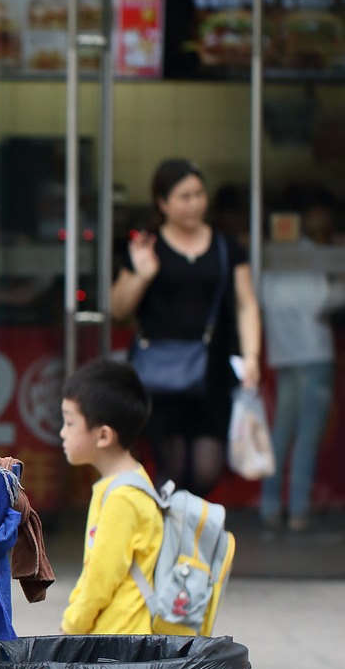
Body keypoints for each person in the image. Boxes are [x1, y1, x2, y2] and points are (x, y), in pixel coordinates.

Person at [112, 158, 262, 498]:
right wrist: (143, 275)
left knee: (208, 469)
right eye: (184, 196)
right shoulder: (147, 246)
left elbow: (246, 303)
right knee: (174, 467)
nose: (195, 203)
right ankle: (172, 543)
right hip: (160, 373)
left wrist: (251, 356)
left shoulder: (226, 247)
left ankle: (181, 535)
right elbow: (118, 308)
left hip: (213, 372)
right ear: (162, 202)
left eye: (199, 194)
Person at [259, 188, 345, 531]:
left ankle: (269, 506)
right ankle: (297, 511)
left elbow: (266, 302)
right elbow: (321, 301)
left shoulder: (270, 256)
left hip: (284, 353)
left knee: (282, 433)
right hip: (314, 352)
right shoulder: (312, 255)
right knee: (306, 436)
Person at [58, 357, 163, 636]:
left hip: (120, 643)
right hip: (121, 638)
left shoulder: (122, 498)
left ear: (104, 435)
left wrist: (72, 625)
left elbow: (100, 579)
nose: (62, 433)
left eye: (69, 423)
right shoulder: (128, 484)